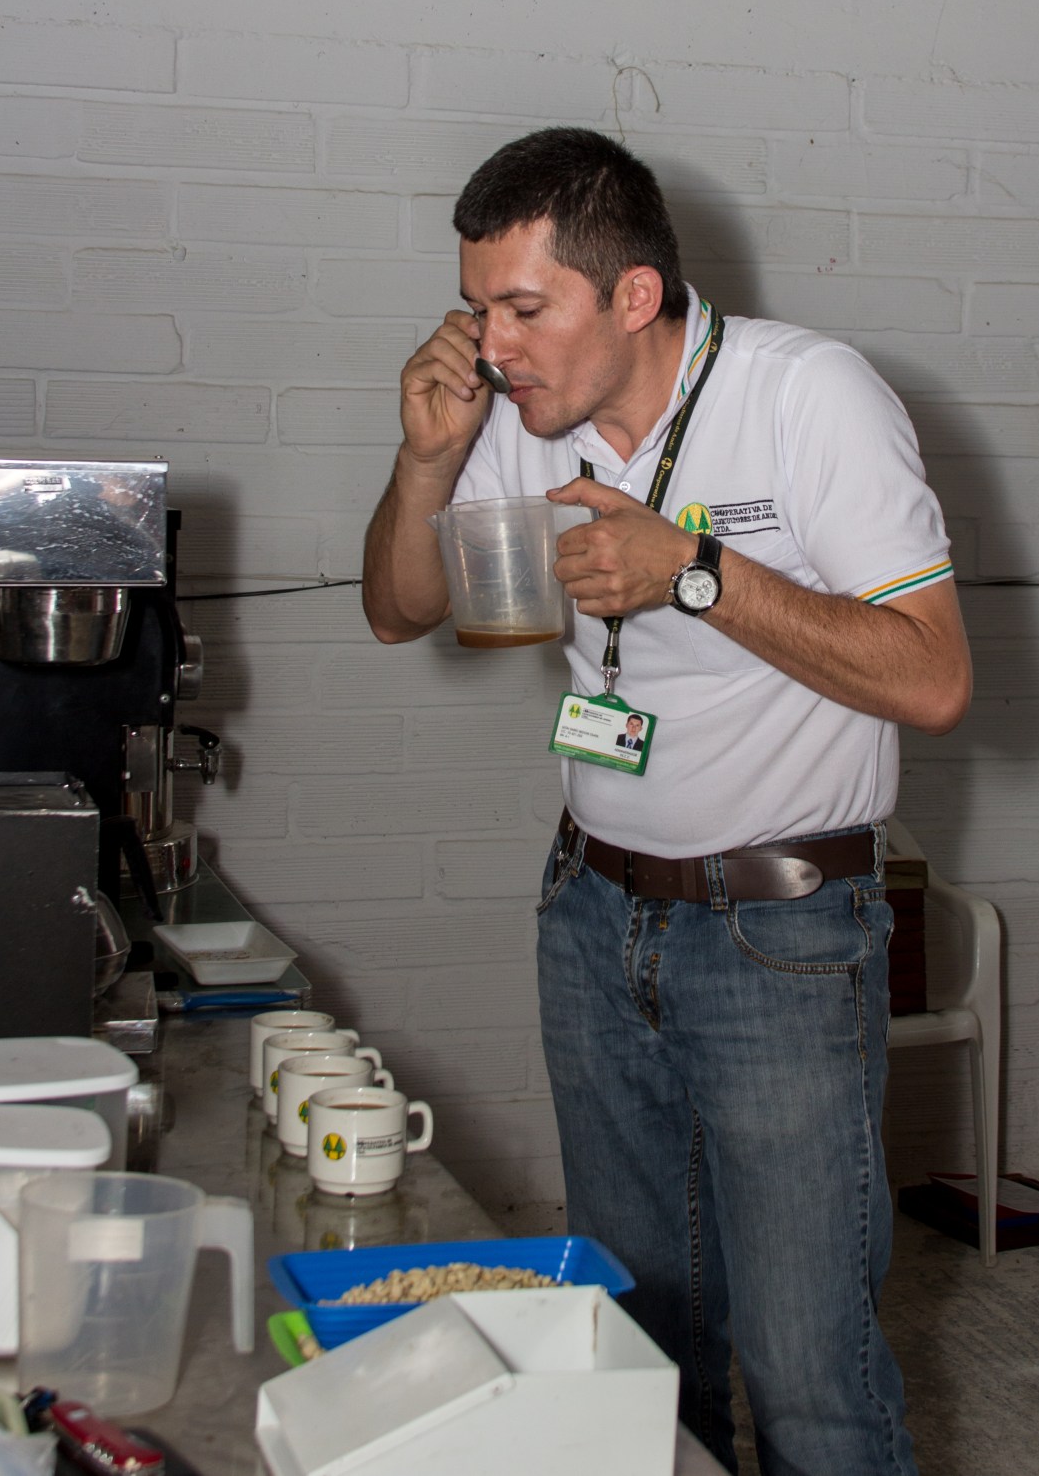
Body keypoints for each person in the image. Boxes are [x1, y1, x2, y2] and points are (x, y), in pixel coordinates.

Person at [362, 127, 971, 1476]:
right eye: (478, 307)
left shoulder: (810, 396)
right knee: (634, 1351)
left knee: (808, 1373)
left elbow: (933, 680)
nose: (495, 342)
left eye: (525, 307)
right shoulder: (522, 420)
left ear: (633, 295)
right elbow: (401, 610)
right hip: (592, 913)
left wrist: (693, 570)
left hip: (780, 931)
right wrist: (423, 462)